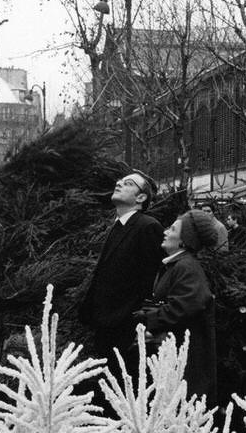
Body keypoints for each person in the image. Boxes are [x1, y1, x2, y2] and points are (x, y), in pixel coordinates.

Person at [78, 170, 165, 372]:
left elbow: (153, 277)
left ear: (141, 197)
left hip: (126, 328)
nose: (119, 183)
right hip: (106, 326)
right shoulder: (118, 226)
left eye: (128, 183)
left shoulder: (147, 226)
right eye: (120, 181)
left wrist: (138, 321)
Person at [134, 209, 219, 402]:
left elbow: (186, 305)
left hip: (185, 362)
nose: (165, 232)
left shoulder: (186, 267)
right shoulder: (177, 265)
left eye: (172, 229)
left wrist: (148, 320)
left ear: (184, 240)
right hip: (174, 356)